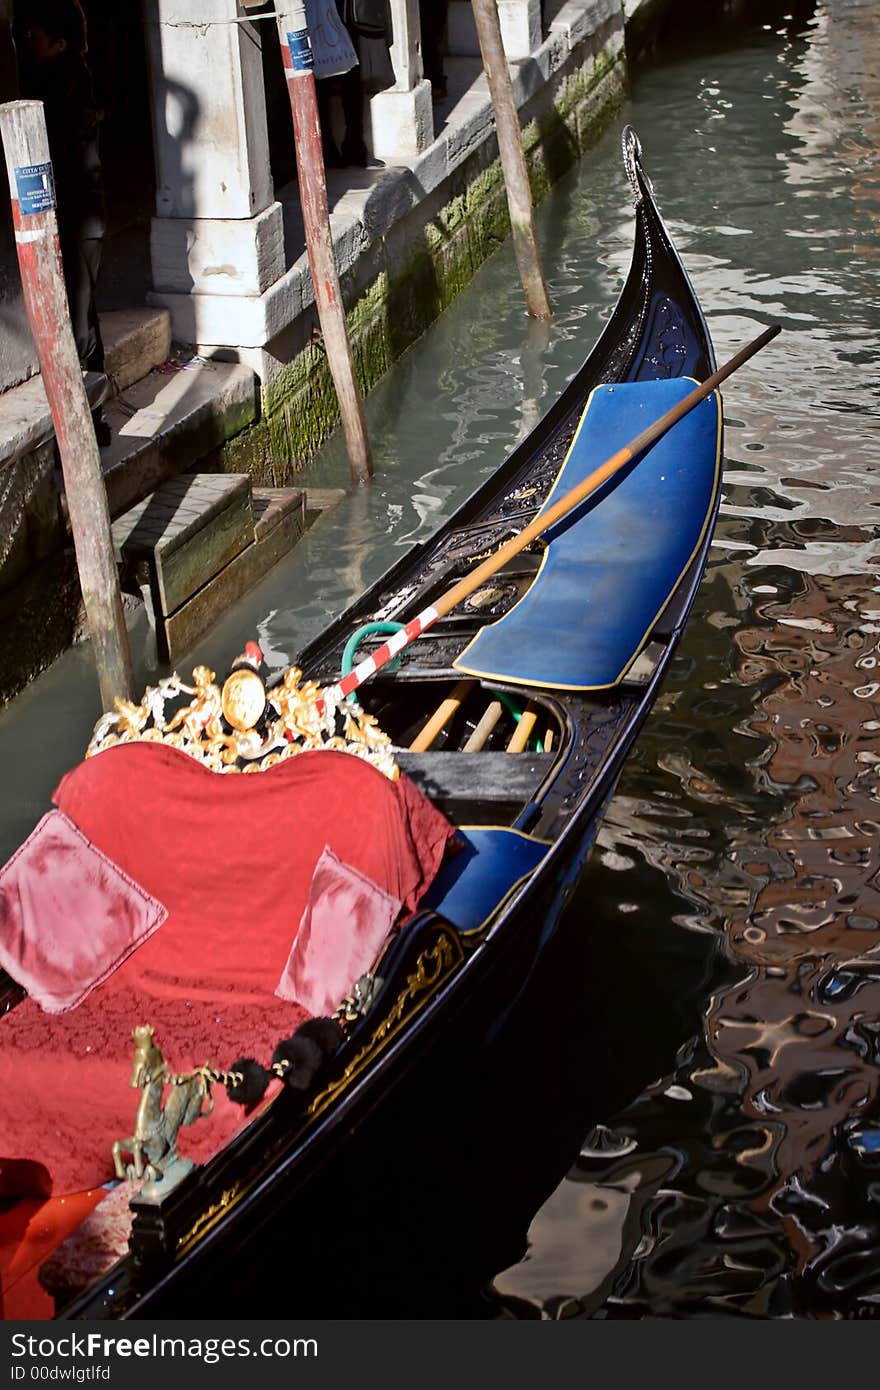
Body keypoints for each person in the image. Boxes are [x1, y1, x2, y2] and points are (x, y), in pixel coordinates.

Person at [15, 0, 111, 444]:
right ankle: (92, 419)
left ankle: (85, 424)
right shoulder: (65, 80)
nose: (26, 44)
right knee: (83, 315)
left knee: (78, 323)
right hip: (79, 220)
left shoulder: (65, 86)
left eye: (34, 37)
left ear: (58, 43)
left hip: (79, 221)